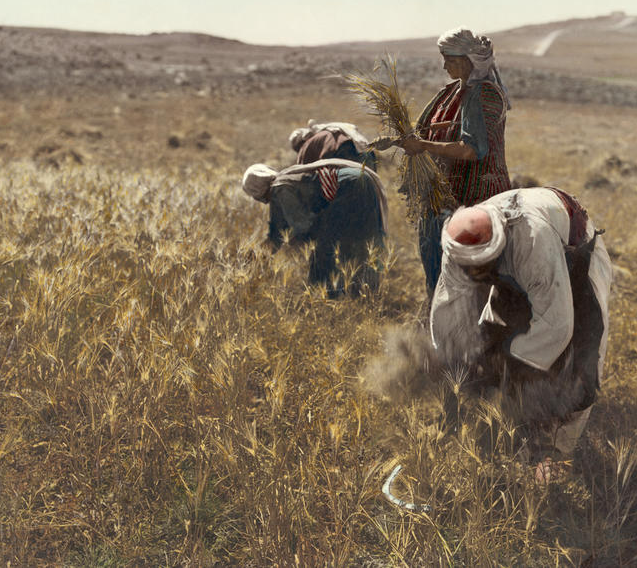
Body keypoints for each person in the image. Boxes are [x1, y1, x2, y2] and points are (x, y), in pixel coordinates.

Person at [428, 186, 612, 461]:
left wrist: (514, 366)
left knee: (580, 358)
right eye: (471, 269)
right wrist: (457, 366)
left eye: (483, 266)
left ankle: (557, 453)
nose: (475, 274)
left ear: (497, 248)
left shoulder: (533, 240)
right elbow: (448, 309)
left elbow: (557, 324)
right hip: (521, 266)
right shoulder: (456, 249)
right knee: (494, 337)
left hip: (573, 253)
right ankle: (506, 433)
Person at [395, 27, 510, 293]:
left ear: (469, 60)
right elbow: (445, 125)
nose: (444, 65)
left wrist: (422, 145)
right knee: (436, 275)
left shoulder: (484, 95)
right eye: (443, 57)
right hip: (441, 196)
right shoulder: (451, 92)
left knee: (466, 282)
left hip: (473, 198)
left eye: (450, 59)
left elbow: (472, 149)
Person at [242, 158, 388, 297]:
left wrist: (296, 241)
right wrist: (258, 256)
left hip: (349, 187)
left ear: (257, 190)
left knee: (325, 250)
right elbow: (277, 234)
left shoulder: (280, 189)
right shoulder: (284, 182)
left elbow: (305, 226)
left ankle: (327, 297)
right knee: (362, 241)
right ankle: (367, 295)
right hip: (362, 181)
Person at [288, 120, 377, 170]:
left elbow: (303, 172)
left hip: (341, 151)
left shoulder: (306, 145)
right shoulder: (328, 131)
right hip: (366, 152)